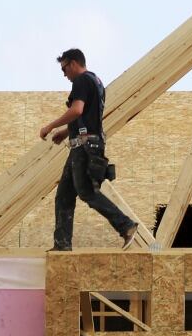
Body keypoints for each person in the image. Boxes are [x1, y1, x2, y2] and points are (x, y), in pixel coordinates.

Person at [39, 48, 137, 251]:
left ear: (74, 63)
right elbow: (86, 116)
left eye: (64, 68)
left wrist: (50, 127)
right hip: (83, 145)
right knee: (64, 195)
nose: (64, 74)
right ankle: (62, 245)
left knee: (86, 192)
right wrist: (66, 132)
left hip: (85, 147)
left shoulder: (82, 80)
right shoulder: (96, 82)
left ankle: (125, 225)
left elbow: (76, 110)